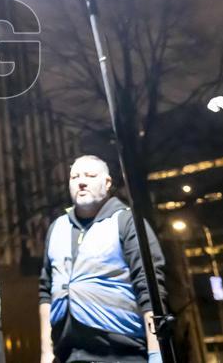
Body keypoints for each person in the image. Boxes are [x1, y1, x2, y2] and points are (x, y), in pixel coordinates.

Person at [39, 155, 167, 363]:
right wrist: (46, 353)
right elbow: (46, 292)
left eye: (90, 175)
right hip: (68, 356)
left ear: (107, 183)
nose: (81, 181)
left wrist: (156, 355)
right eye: (74, 177)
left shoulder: (127, 221)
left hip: (123, 354)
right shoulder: (57, 229)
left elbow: (150, 289)